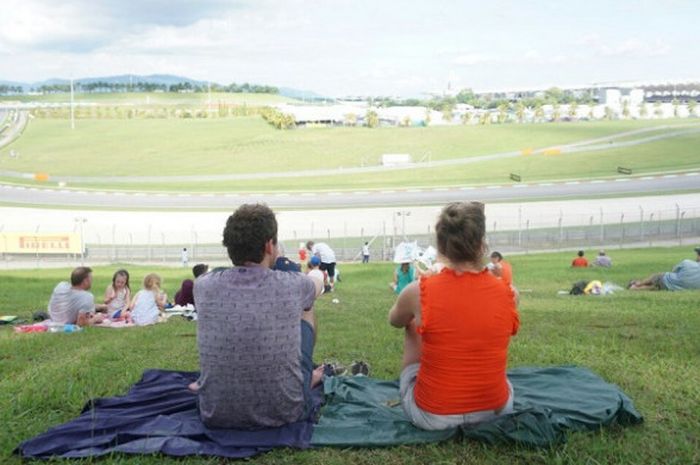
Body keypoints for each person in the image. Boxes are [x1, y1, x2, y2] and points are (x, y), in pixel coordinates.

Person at [388, 201, 520, 431]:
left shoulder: (419, 291)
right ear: (481, 245)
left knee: (411, 323)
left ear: (441, 245)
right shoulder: (509, 293)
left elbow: (395, 320)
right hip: (495, 412)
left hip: (433, 416)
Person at [191, 204, 324, 429]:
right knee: (307, 309)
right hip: (286, 412)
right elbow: (317, 284)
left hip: (215, 413)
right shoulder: (291, 284)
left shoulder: (202, 286)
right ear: (269, 246)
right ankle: (304, 377)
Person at [628, 247, 700, 291]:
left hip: (667, 281)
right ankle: (636, 288)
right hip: (679, 288)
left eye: (697, 254)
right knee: (655, 287)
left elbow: (673, 271)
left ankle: (638, 284)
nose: (696, 256)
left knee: (656, 276)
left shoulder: (687, 262)